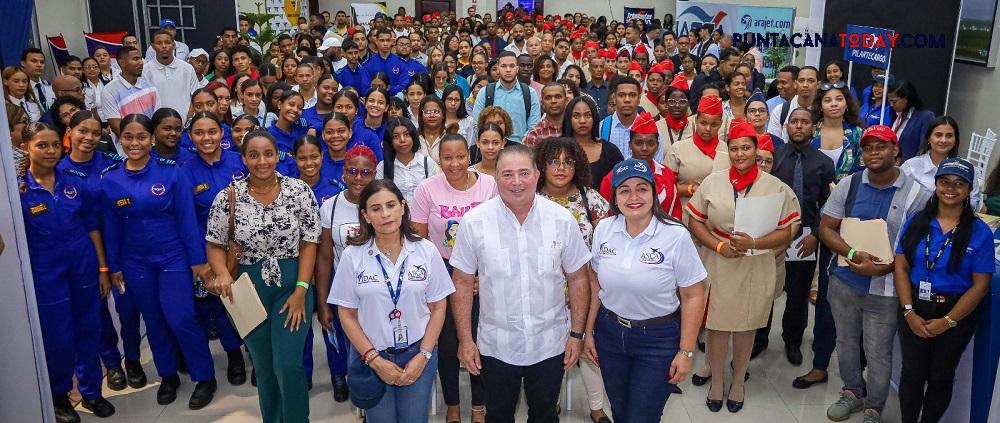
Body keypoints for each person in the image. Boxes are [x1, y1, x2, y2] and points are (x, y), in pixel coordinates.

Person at [450, 143, 591, 421]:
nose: (516, 182)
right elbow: (463, 282)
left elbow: (578, 279)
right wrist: (466, 340)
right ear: (496, 178)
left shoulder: (562, 220)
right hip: (496, 345)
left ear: (537, 175)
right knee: (499, 414)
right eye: (507, 174)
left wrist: (576, 334)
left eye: (524, 173)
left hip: (550, 344)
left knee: (545, 414)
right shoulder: (474, 222)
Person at [98, 114, 217, 409]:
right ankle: (168, 375)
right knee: (154, 320)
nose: (134, 143)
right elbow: (110, 228)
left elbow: (187, 221)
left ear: (151, 138)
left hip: (173, 256)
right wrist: (113, 267)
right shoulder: (110, 179)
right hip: (135, 261)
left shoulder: (171, 173)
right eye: (128, 137)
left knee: (181, 316)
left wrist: (197, 262)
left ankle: (205, 376)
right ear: (120, 139)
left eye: (141, 137)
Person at [204, 130, 320, 423]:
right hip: (245, 289)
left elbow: (309, 243)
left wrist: (301, 290)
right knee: (265, 366)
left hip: (292, 285)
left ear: (277, 156)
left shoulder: (299, 191)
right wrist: (221, 273)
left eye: (268, 153)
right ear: (243, 159)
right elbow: (215, 244)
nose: (262, 161)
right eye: (253, 155)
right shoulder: (228, 196)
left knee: (288, 363)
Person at [685, 119, 800, 413]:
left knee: (747, 326)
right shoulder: (713, 181)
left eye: (746, 148)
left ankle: (738, 381)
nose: (739, 154)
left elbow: (789, 230)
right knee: (717, 326)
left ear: (755, 149)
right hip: (719, 259)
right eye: (734, 148)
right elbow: (695, 220)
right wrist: (720, 245)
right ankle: (718, 382)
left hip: (755, 262)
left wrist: (754, 243)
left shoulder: (776, 187)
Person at [819, 125, 932, 423]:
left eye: (881, 146)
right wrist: (852, 253)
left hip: (886, 290)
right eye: (868, 147)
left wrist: (886, 266)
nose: (873, 152)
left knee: (878, 351)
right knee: (845, 342)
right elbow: (826, 228)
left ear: (896, 150)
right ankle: (852, 391)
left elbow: (919, 248)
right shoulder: (849, 184)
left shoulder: (919, 195)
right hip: (844, 281)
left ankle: (874, 406)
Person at [590, 158, 707, 422]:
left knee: (641, 417)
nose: (633, 196)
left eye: (641, 188)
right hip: (610, 334)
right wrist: (588, 333)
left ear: (654, 193)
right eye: (625, 190)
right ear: (615, 197)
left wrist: (685, 352)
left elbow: (693, 295)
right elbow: (595, 282)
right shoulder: (604, 230)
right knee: (620, 412)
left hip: (658, 339)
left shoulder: (675, 235)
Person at [329, 179, 451, 422]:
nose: (385, 214)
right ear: (365, 215)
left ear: (403, 207)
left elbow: (438, 307)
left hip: (418, 352)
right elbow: (347, 315)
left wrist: (423, 355)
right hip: (373, 355)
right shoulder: (353, 256)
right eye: (375, 208)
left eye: (391, 205)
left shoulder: (426, 250)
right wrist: (374, 359)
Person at [19, 122, 117, 422]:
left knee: (90, 329)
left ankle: (91, 392)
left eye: (54, 145)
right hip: (46, 275)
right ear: (27, 148)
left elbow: (91, 226)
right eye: (42, 145)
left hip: (84, 266)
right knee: (58, 339)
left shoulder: (74, 183)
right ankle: (59, 396)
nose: (50, 151)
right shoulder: (19, 192)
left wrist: (102, 268)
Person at [895, 157, 995, 423]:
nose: (951, 188)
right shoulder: (917, 222)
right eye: (945, 182)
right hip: (913, 306)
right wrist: (908, 312)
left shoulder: (979, 232)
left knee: (941, 377)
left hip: (955, 314)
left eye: (959, 184)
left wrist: (948, 321)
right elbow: (901, 267)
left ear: (969, 190)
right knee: (912, 374)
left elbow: (980, 285)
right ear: (936, 185)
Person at [410, 135, 497, 423]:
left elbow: (499, 234)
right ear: (439, 160)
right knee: (448, 343)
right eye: (447, 158)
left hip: (481, 273)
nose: (455, 163)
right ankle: (453, 404)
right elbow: (419, 238)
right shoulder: (427, 188)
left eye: (460, 156)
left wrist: (484, 275)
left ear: (468, 155)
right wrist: (433, 280)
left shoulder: (488, 184)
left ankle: (479, 405)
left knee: (479, 339)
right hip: (443, 272)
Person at [534, 137, 613, 422]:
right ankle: (549, 402)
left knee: (588, 350)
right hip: (543, 293)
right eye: (554, 161)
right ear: (541, 165)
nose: (561, 168)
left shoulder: (590, 199)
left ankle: (596, 407)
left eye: (568, 161)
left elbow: (609, 243)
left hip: (586, 291)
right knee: (550, 354)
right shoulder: (530, 198)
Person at [178, 112, 249, 387]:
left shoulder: (239, 161)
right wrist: (202, 260)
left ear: (222, 133)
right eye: (199, 133)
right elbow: (186, 218)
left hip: (246, 247)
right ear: (191, 137)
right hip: (211, 250)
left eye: (212, 132)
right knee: (221, 303)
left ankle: (256, 353)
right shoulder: (184, 170)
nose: (206, 138)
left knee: (250, 302)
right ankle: (233, 356)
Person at [771, 108, 836, 368]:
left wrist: (818, 235)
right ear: (787, 126)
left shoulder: (824, 163)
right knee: (768, 289)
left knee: (797, 295)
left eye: (804, 122)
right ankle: (760, 339)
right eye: (794, 121)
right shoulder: (774, 157)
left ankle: (793, 340)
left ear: (814, 127)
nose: (798, 126)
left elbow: (829, 206)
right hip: (773, 235)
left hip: (806, 237)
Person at [293, 135, 350, 399]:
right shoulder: (288, 191)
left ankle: (338, 374)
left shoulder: (334, 188)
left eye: (314, 157)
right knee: (300, 322)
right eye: (302, 158)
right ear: (294, 159)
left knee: (331, 321)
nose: (309, 163)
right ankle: (302, 375)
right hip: (298, 268)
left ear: (323, 157)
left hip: (328, 266)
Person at [600, 112, 683, 219]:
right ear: (630, 144)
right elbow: (607, 215)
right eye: (638, 143)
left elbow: (676, 208)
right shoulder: (613, 177)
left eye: (650, 143)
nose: (644, 148)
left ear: (657, 146)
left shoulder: (667, 174)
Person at [665, 95, 729, 213]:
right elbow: (665, 187)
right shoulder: (678, 149)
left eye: (714, 125)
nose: (708, 128)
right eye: (703, 123)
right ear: (695, 120)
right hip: (683, 215)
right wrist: (691, 189)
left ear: (720, 124)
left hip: (717, 218)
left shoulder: (727, 151)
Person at [902, 116, 982, 210]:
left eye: (949, 136)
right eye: (938, 135)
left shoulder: (965, 167)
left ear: (955, 140)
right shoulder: (911, 166)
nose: (943, 140)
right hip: (918, 221)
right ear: (929, 138)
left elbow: (974, 202)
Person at [470, 51, 541, 143]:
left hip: (520, 148)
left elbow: (534, 126)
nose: (508, 70)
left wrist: (524, 143)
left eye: (512, 66)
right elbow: (478, 124)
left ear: (517, 68)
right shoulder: (485, 92)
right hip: (493, 148)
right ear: (498, 69)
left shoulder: (530, 93)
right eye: (503, 66)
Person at [564, 95, 624, 187]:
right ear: (569, 119)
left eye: (588, 115)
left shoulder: (610, 151)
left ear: (594, 118)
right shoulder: (558, 149)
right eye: (576, 116)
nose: (582, 121)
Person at [378, 117, 437, 205]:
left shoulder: (427, 163)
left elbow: (433, 195)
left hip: (423, 216)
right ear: (390, 141)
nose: (402, 140)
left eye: (406, 134)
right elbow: (380, 197)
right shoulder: (382, 166)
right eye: (396, 136)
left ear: (413, 137)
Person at [812, 81, 864, 181]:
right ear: (820, 106)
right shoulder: (810, 131)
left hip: (848, 194)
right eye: (827, 100)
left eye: (839, 99)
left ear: (846, 104)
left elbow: (862, 170)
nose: (834, 104)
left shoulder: (858, 134)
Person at [143, 30, 200, 119]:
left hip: (185, 125)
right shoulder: (145, 71)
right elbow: (144, 102)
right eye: (159, 43)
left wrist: (189, 119)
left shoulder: (187, 69)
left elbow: (196, 95)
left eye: (168, 42)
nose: (164, 46)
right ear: (153, 47)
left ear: (174, 45)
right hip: (157, 125)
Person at [769, 66, 819, 142]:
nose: (805, 85)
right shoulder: (780, 111)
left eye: (811, 81)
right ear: (795, 84)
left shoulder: (824, 112)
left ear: (818, 85)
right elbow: (774, 144)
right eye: (801, 80)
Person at [599, 76, 643, 159]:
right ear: (614, 98)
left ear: (639, 99)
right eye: (621, 95)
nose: (627, 100)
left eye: (632, 95)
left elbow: (656, 167)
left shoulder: (651, 130)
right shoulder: (601, 128)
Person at [521, 82, 567, 147]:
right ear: (542, 103)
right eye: (548, 98)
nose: (553, 101)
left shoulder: (575, 127)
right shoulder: (535, 135)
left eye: (558, 97)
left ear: (566, 100)